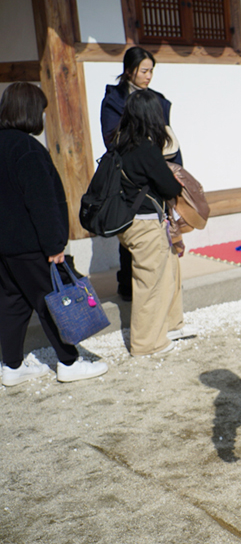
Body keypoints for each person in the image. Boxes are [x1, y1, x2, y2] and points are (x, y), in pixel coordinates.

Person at [0, 82, 108, 386]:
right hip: (31, 244)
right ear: (31, 112)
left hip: (6, 247)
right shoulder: (27, 149)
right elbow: (42, 202)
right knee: (52, 301)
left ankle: (12, 367)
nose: (44, 118)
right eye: (42, 112)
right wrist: (54, 243)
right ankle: (69, 362)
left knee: (12, 302)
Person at [113, 90, 195, 356]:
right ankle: (147, 344)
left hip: (131, 222)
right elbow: (169, 186)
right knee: (150, 283)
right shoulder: (145, 148)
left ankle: (170, 326)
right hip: (144, 225)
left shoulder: (121, 144)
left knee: (169, 271)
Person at [100, 46, 182, 302]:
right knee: (130, 226)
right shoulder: (114, 100)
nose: (148, 76)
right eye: (144, 71)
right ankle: (128, 285)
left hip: (156, 170)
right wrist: (143, 152)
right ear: (128, 70)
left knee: (162, 228)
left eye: (151, 71)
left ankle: (160, 288)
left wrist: (176, 169)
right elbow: (112, 139)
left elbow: (168, 139)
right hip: (131, 173)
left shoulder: (157, 99)